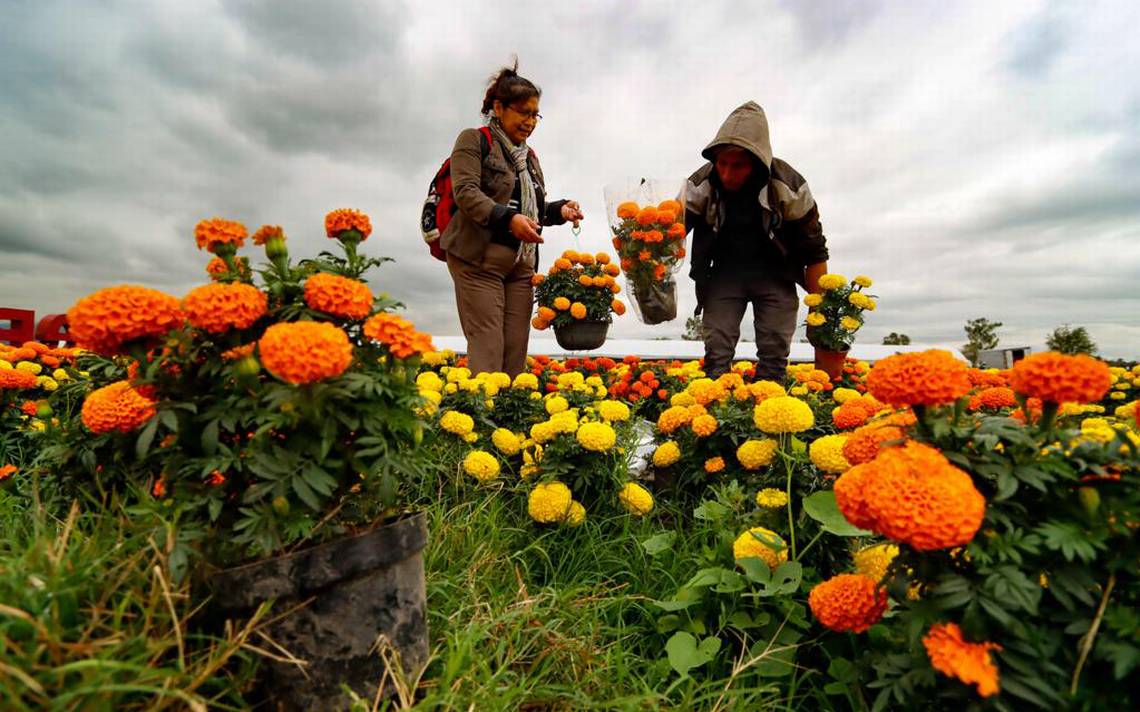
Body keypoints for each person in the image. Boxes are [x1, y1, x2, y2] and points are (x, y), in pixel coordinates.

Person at [440, 61, 584, 377]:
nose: (530, 121)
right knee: (488, 348)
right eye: (523, 112)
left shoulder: (529, 157)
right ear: (498, 107)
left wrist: (560, 211)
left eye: (535, 114)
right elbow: (466, 193)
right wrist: (508, 220)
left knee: (515, 352)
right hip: (478, 260)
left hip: (520, 265)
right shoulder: (473, 140)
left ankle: (509, 422)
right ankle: (480, 422)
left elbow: (532, 208)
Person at [685, 101, 829, 381]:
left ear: (758, 161)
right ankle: (714, 410)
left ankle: (772, 413)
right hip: (724, 272)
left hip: (777, 272)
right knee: (716, 347)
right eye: (722, 163)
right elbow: (670, 232)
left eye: (737, 166)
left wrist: (818, 310)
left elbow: (815, 251)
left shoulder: (789, 185)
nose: (726, 173)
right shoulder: (701, 183)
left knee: (775, 349)